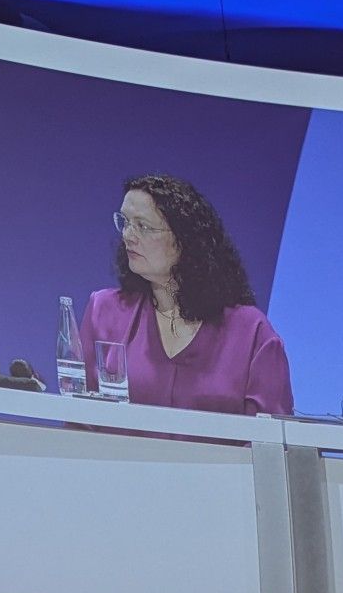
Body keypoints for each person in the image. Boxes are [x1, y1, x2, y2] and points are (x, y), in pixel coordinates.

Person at [78, 174, 293, 416]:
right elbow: (79, 419)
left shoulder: (252, 333)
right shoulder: (103, 311)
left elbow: (271, 442)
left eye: (143, 226)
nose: (127, 235)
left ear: (184, 240)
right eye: (125, 222)